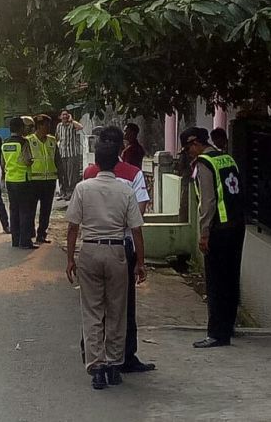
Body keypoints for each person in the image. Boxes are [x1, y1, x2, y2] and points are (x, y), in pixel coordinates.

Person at [65, 141, 145, 390]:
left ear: (96, 162)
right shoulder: (125, 190)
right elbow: (136, 230)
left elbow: (72, 228)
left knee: (92, 311)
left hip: (89, 249)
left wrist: (70, 259)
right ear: (117, 161)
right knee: (116, 311)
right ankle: (113, 365)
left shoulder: (83, 188)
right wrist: (140, 262)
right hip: (117, 251)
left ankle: (96, 367)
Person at [84, 126, 154, 374]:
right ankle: (123, 357)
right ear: (120, 147)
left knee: (94, 304)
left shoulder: (89, 173)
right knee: (123, 306)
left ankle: (92, 354)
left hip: (92, 245)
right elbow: (141, 209)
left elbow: (82, 214)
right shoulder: (133, 173)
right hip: (123, 245)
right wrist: (141, 261)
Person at [180, 127, 246, 348]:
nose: (189, 153)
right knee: (231, 278)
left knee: (216, 282)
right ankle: (229, 326)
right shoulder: (227, 158)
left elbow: (207, 202)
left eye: (188, 148)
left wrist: (204, 233)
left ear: (195, 144)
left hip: (219, 228)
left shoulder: (204, 163)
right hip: (237, 225)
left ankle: (217, 333)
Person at [2, 117, 36, 249]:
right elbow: (27, 160)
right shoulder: (24, 142)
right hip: (23, 180)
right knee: (25, 212)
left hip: (10, 180)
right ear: (21, 128)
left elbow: (3, 162)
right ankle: (25, 241)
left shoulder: (5, 143)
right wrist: (32, 161)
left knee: (14, 210)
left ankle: (15, 240)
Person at [27, 114, 60, 244]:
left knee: (46, 209)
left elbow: (57, 159)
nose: (48, 128)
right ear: (38, 126)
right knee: (31, 208)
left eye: (49, 125)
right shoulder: (29, 140)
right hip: (34, 180)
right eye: (46, 125)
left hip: (50, 179)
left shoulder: (52, 140)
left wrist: (61, 175)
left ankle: (42, 234)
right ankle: (30, 232)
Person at [55, 109, 84, 200]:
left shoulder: (72, 124)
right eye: (63, 115)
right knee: (63, 174)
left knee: (71, 174)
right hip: (62, 153)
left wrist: (71, 120)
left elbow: (80, 127)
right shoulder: (59, 126)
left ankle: (71, 192)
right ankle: (63, 192)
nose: (64, 116)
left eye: (66, 115)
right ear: (60, 117)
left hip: (72, 153)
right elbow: (57, 137)